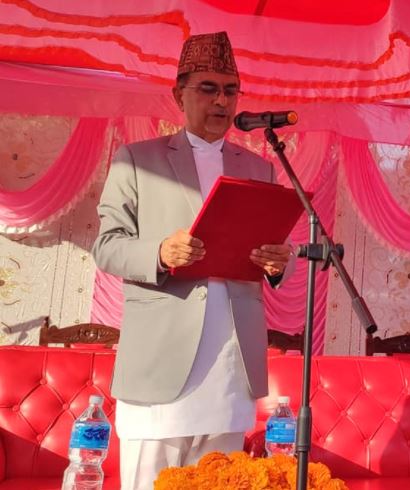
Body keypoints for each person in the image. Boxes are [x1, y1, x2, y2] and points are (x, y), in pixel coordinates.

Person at [91, 32, 293, 489]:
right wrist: (160, 252)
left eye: (230, 90)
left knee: (219, 481)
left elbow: (279, 249)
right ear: (178, 93)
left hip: (230, 362)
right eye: (208, 88)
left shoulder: (259, 168)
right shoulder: (137, 161)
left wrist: (279, 262)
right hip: (160, 360)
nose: (221, 100)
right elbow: (107, 245)